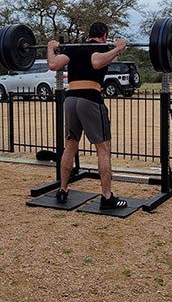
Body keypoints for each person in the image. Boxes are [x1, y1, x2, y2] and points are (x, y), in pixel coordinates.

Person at [47, 22, 128, 210]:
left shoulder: (76, 48)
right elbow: (97, 62)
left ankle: (63, 190)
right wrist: (118, 48)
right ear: (104, 35)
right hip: (89, 99)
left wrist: (51, 48)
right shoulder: (99, 47)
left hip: (71, 99)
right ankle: (107, 197)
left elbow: (53, 64)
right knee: (103, 148)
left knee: (70, 145)